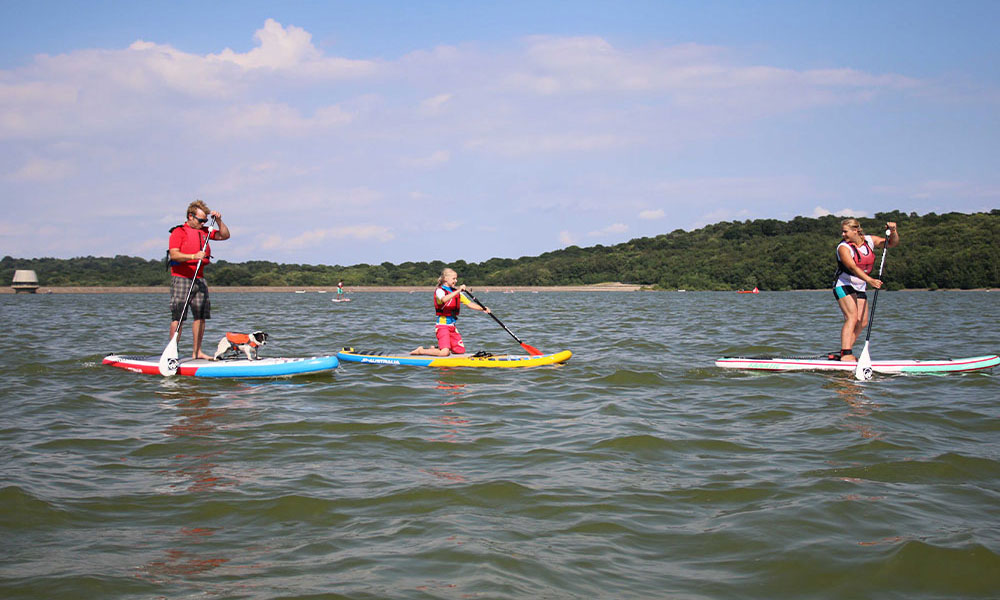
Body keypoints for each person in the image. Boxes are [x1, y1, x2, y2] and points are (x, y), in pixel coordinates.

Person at [168, 200, 231, 360]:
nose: (203, 223)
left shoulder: (205, 231)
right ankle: (172, 352)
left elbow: (225, 235)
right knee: (179, 317)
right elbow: (174, 254)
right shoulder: (179, 232)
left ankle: (197, 352)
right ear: (190, 216)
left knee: (200, 316)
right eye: (200, 220)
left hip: (200, 279)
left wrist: (218, 220)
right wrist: (193, 256)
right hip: (182, 278)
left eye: (205, 220)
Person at [832, 218, 899, 361]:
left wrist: (893, 231)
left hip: (860, 286)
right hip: (843, 284)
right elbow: (853, 267)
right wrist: (870, 280)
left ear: (855, 230)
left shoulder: (869, 241)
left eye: (845, 231)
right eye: (842, 232)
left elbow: (892, 243)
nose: (843, 235)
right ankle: (846, 354)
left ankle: (844, 352)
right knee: (852, 317)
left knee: (862, 322)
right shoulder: (843, 248)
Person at [411, 268, 491, 356]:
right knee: (445, 353)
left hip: (452, 326)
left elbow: (469, 304)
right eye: (453, 279)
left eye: (456, 279)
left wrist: (483, 308)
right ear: (445, 279)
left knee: (460, 351)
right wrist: (458, 290)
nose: (456, 281)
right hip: (442, 326)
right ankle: (421, 350)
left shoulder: (456, 293)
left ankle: (436, 348)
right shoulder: (440, 291)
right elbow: (444, 299)